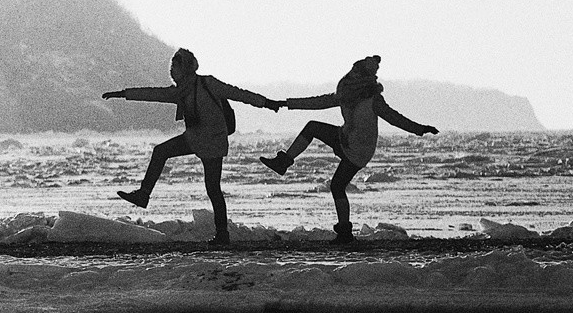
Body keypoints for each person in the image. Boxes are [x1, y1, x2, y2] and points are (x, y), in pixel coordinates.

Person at [102, 49, 281, 245]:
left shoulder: (208, 83)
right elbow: (154, 94)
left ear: (185, 67)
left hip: (212, 142)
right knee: (161, 152)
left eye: (175, 67)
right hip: (195, 138)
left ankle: (222, 234)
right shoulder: (180, 91)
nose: (171, 71)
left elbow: (238, 94)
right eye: (171, 67)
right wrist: (122, 94)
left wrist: (266, 102)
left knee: (213, 188)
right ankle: (144, 195)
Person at [256, 54, 439, 243]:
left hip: (359, 150)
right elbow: (318, 102)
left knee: (337, 185)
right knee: (313, 129)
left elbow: (395, 118)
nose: (350, 75)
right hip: (344, 138)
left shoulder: (373, 99)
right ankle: (283, 162)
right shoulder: (346, 95)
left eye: (354, 73)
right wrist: (286, 103)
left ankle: (345, 233)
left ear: (360, 76)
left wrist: (420, 129)